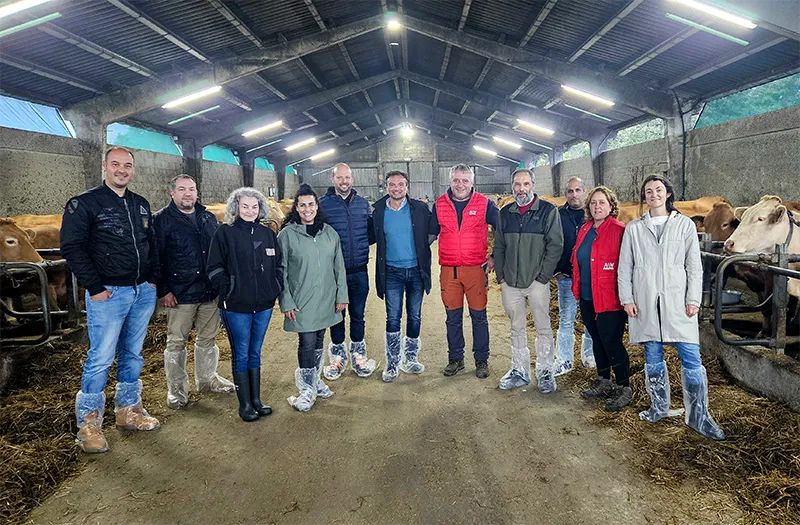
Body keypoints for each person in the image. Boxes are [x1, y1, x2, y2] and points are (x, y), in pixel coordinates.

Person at [61, 147, 160, 454]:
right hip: (109, 293)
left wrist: (153, 280)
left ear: (133, 169)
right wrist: (95, 287)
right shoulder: (84, 203)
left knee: (133, 353)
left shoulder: (140, 204)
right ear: (104, 166)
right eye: (115, 164)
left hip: (141, 291)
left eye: (127, 165)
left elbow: (151, 244)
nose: (122, 170)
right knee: (101, 357)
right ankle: (89, 423)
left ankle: (128, 410)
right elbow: (72, 247)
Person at [618, 175, 726, 440]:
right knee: (652, 355)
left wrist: (693, 299)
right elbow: (625, 267)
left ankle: (699, 416)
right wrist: (627, 299)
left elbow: (694, 266)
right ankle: (659, 407)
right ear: (644, 197)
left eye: (658, 189)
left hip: (678, 301)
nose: (653, 194)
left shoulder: (685, 225)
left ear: (668, 194)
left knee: (691, 356)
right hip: (645, 301)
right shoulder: (634, 229)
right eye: (648, 191)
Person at [153, 175, 234, 410]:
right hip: (180, 293)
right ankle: (176, 389)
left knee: (208, 338)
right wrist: (164, 290)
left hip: (209, 291)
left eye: (191, 189)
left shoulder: (208, 218)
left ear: (197, 193)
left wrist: (221, 285)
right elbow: (156, 257)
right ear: (172, 193)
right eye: (182, 189)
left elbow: (220, 253)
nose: (187, 194)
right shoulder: (161, 221)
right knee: (176, 341)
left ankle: (207, 379)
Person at [207, 188, 282, 422]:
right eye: (245, 206)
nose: (250, 211)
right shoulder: (225, 233)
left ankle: (257, 400)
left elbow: (278, 263)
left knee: (255, 352)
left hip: (263, 305)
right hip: (236, 305)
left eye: (254, 207)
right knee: (241, 353)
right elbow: (214, 266)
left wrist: (275, 285)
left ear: (261, 209)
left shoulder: (267, 233)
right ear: (236, 208)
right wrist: (227, 289)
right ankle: (245, 404)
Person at [278, 184, 348, 412]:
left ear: (317, 207)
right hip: (302, 300)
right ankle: (305, 389)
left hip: (326, 298)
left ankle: (314, 382)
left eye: (311, 204)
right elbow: (282, 271)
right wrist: (286, 300)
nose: (307, 209)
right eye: (302, 205)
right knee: (307, 343)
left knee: (319, 341)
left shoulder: (329, 233)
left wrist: (342, 296)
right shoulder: (287, 235)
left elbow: (339, 268)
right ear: (296, 208)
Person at [494, 168, 563, 392]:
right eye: (517, 184)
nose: (521, 189)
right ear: (512, 186)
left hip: (537, 282)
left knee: (543, 326)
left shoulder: (547, 211)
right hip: (510, 283)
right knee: (516, 327)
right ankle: (519, 371)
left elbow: (556, 245)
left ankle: (545, 372)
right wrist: (501, 277)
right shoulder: (505, 213)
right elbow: (499, 246)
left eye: (525, 184)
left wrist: (543, 277)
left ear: (533, 185)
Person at [429, 164, 500, 379]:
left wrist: (495, 255)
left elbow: (502, 229)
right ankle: (455, 359)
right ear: (450, 181)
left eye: (465, 180)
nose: (460, 184)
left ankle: (481, 360)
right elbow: (431, 234)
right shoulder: (440, 204)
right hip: (449, 271)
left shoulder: (485, 204)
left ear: (472, 183)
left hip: (476, 269)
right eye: (456, 180)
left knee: (479, 317)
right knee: (453, 317)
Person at [571, 186, 631, 411]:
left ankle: (624, 386)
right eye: (593, 203)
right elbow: (577, 259)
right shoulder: (585, 229)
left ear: (611, 206)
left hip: (609, 297)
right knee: (595, 337)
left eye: (602, 203)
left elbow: (627, 265)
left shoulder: (619, 230)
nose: (597, 207)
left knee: (612, 341)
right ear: (588, 207)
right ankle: (604, 380)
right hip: (587, 295)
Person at [372, 170, 432, 382]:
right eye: (392, 184)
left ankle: (411, 357)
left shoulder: (420, 209)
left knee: (414, 316)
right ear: (386, 187)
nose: (396, 188)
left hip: (416, 270)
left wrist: (421, 249)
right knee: (393, 317)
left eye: (401, 184)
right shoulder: (378, 211)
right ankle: (392, 362)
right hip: (391, 272)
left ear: (407, 187)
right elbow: (371, 236)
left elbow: (432, 231)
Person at [318, 163, 377, 380]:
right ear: (332, 179)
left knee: (358, 316)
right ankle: (337, 359)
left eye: (348, 178)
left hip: (359, 270)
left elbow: (372, 234)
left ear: (352, 179)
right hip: (334, 273)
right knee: (336, 316)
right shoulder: (322, 205)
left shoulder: (363, 205)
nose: (344, 182)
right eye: (340, 178)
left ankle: (359, 357)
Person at [553, 177, 595, 376]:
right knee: (566, 318)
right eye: (570, 191)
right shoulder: (557, 215)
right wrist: (556, 270)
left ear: (585, 191)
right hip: (567, 276)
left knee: (590, 318)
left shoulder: (593, 215)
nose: (574, 194)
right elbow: (550, 243)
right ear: (566, 194)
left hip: (589, 277)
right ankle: (564, 360)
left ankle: (589, 356)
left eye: (578, 190)